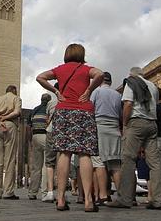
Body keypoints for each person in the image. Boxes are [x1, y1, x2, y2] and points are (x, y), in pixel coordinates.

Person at [36, 43, 104, 212]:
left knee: (64, 153)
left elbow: (40, 77)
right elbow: (100, 74)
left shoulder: (60, 69)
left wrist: (56, 92)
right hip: (83, 112)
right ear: (82, 54)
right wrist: (89, 90)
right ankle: (88, 200)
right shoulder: (86, 69)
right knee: (85, 154)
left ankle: (60, 199)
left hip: (64, 111)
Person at [107, 67, 161, 210]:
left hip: (136, 122)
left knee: (128, 159)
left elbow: (128, 104)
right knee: (154, 162)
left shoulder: (131, 82)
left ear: (131, 74)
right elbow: (154, 104)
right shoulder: (153, 86)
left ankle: (125, 199)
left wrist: (125, 124)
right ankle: (157, 200)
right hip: (152, 123)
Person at [89, 71, 123, 204]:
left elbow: (90, 108)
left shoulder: (96, 92)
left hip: (100, 126)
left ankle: (103, 195)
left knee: (99, 161)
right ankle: (121, 196)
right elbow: (120, 114)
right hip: (114, 127)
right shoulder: (117, 94)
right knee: (115, 164)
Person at [0, 85, 22, 200]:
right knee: (10, 159)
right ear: (14, 91)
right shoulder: (16, 98)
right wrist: (6, 117)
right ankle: (8, 192)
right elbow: (17, 112)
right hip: (10, 125)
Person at [27, 93, 51, 200]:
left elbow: (28, 126)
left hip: (35, 137)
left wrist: (30, 140)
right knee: (47, 165)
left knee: (36, 167)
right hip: (46, 136)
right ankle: (45, 193)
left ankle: (32, 192)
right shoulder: (48, 109)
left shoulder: (34, 110)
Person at [41, 87, 59, 203]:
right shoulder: (68, 100)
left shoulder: (51, 102)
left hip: (51, 132)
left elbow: (47, 120)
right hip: (64, 133)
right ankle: (61, 193)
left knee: (49, 162)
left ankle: (50, 192)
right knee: (63, 160)